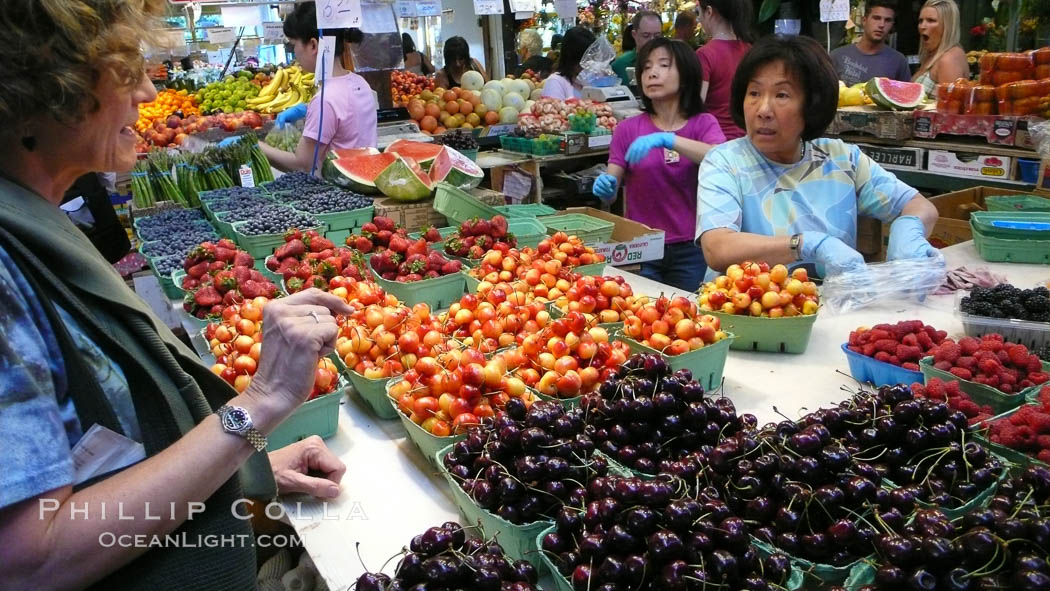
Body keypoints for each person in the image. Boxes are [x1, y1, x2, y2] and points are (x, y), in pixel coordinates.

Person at [0, 1, 354, 589]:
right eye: (124, 70)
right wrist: (258, 406)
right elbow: (27, 559)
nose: (145, 91)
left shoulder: (37, 223)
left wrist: (242, 471)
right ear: (43, 90)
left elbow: (100, 456)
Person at [696, 36, 941, 282]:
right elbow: (717, 248)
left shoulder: (842, 159)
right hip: (744, 314)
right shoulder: (725, 162)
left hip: (835, 311)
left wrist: (908, 229)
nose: (763, 110)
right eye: (754, 93)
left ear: (812, 104)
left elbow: (921, 206)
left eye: (781, 95)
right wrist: (805, 245)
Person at [593, 39, 725, 291]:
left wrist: (670, 140)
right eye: (646, 68)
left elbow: (719, 157)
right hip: (641, 246)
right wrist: (606, 187)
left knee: (688, 318)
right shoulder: (627, 129)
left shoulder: (703, 124)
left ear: (685, 76)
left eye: (664, 65)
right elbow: (612, 187)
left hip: (691, 247)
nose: (652, 73)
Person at [255, 3, 378, 173]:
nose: (295, 52)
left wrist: (255, 146)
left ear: (313, 45)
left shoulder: (325, 99)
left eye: (294, 44)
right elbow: (345, 115)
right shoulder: (360, 83)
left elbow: (302, 165)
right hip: (363, 181)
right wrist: (307, 109)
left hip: (337, 193)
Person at [695, 0, 755, 140]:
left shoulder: (705, 54)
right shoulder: (750, 51)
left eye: (699, 13)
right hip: (748, 139)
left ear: (709, 12)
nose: (699, 19)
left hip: (715, 142)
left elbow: (696, 104)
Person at [830, 0, 911, 87]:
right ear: (864, 20)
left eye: (887, 20)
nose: (881, 25)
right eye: (876, 18)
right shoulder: (837, 56)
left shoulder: (898, 61)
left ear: (892, 25)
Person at [913, 0, 969, 95]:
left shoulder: (949, 59)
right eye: (920, 21)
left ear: (947, 25)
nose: (922, 26)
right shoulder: (934, 55)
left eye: (931, 20)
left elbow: (950, 107)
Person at [542, 26, 597, 100]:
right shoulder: (555, 82)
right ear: (574, 58)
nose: (590, 63)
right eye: (587, 58)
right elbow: (553, 110)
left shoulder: (584, 79)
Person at [611, 11, 663, 86]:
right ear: (634, 34)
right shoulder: (619, 65)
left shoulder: (670, 63)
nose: (652, 40)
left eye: (657, 36)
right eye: (646, 36)